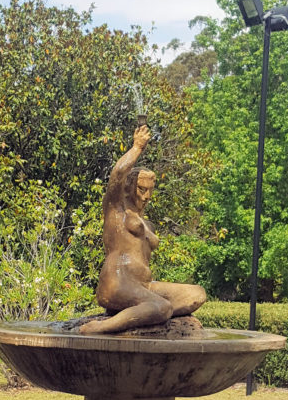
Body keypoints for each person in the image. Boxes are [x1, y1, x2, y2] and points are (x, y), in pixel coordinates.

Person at [79, 123, 205, 335]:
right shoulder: (117, 213)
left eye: (150, 190)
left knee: (197, 294)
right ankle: (102, 327)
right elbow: (117, 174)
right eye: (141, 189)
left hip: (143, 286)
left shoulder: (147, 223)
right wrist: (137, 147)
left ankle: (143, 312)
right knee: (163, 307)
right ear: (129, 188)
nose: (146, 196)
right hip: (118, 282)